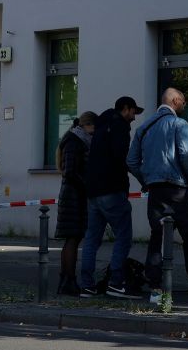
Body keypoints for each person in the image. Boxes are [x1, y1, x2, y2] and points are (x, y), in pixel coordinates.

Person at [127, 87, 188, 304]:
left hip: (156, 191)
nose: (185, 105)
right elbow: (187, 155)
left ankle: (156, 290)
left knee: (157, 237)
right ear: (176, 100)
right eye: (184, 101)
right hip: (179, 189)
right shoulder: (180, 124)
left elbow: (131, 161)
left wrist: (147, 180)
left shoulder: (144, 127)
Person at [78, 96, 143, 298]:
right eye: (133, 112)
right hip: (112, 189)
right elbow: (123, 158)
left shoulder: (101, 124)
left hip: (93, 190)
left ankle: (87, 285)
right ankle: (116, 282)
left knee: (92, 238)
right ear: (125, 109)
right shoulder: (119, 127)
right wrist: (143, 178)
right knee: (123, 235)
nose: (134, 117)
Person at [54, 111, 96, 296]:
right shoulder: (74, 142)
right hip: (73, 197)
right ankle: (68, 281)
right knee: (72, 239)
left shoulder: (75, 140)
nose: (94, 134)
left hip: (72, 195)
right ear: (87, 125)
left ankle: (66, 279)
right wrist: (87, 186)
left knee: (73, 239)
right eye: (94, 129)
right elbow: (70, 171)